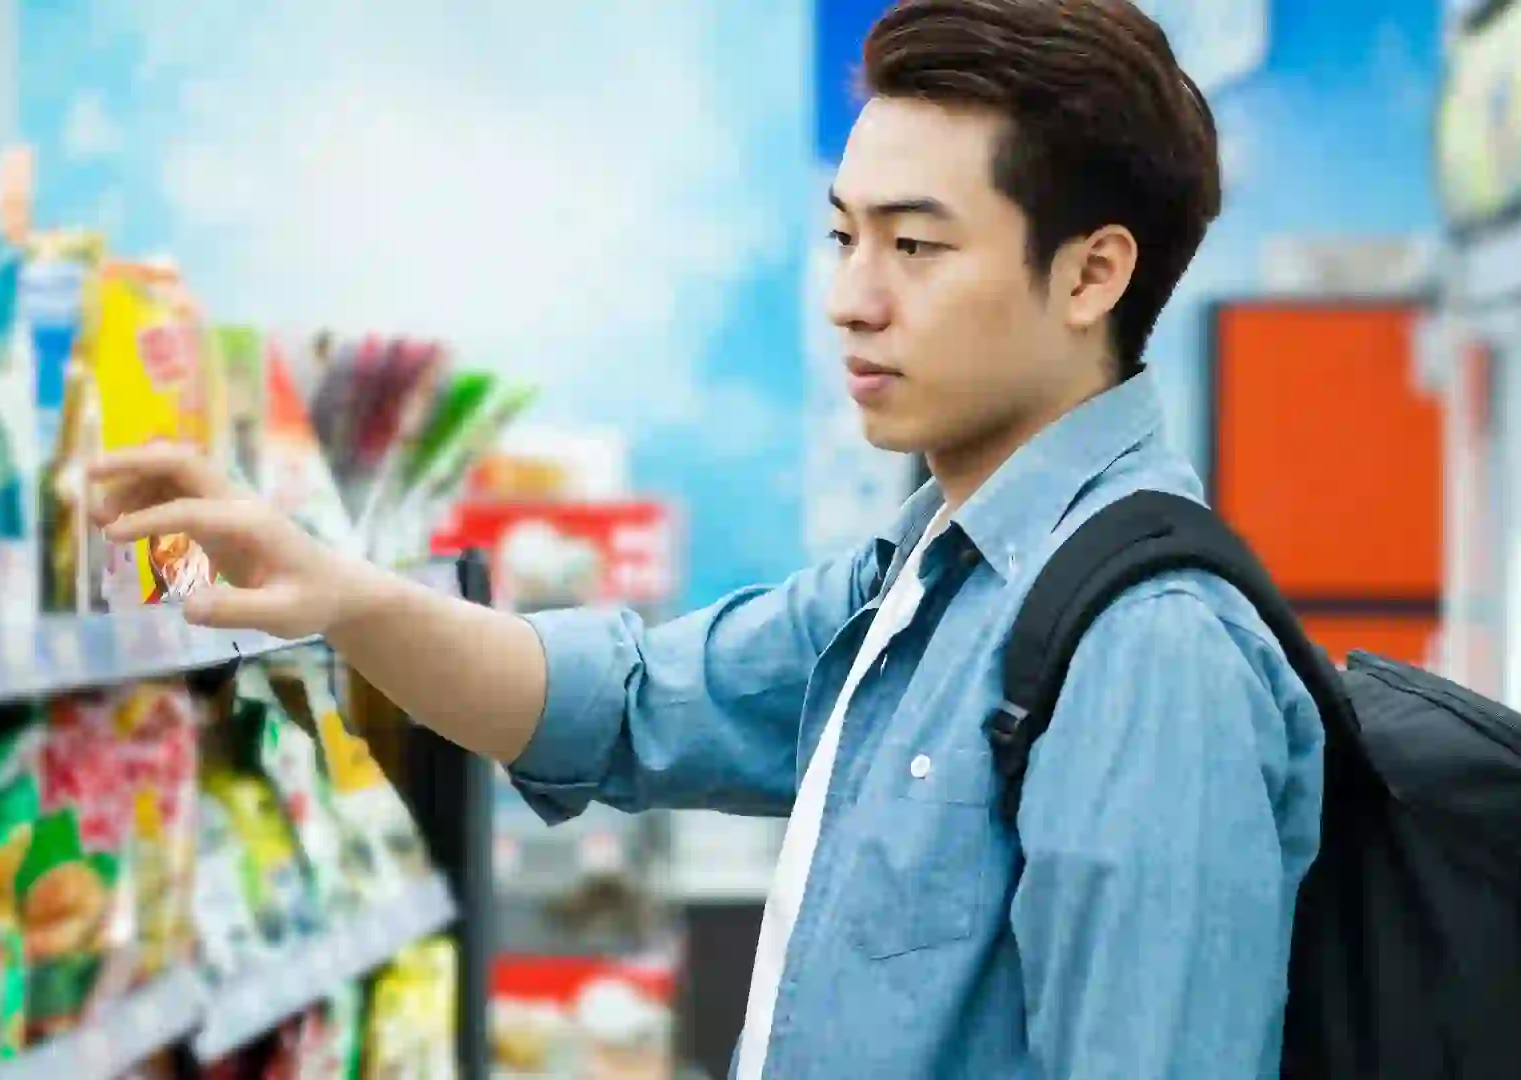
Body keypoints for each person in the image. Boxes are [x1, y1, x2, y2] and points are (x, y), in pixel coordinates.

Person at [91, 1, 1324, 1076]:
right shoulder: (923, 581)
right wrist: (341, 595)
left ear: (1092, 276)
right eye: (845, 236)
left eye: (917, 245)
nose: (852, 297)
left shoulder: (1148, 657)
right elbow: (622, 704)